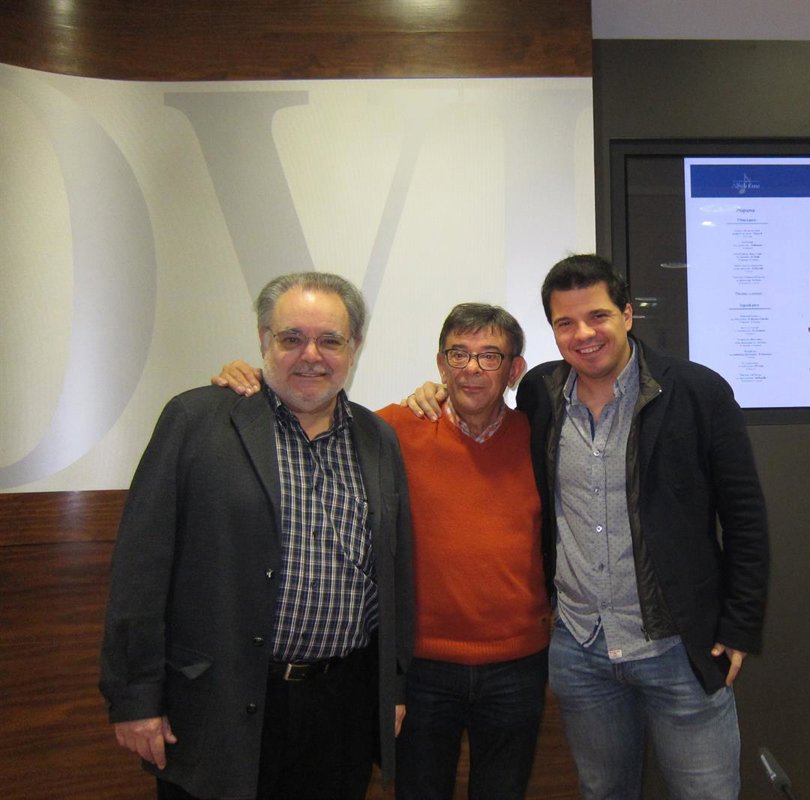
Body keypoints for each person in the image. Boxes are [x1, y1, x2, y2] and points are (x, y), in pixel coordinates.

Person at [407, 255, 770, 799]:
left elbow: (744, 517)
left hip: (677, 648)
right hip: (580, 651)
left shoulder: (697, 392)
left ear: (627, 315)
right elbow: (478, 403)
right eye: (565, 322)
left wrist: (738, 627)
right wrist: (435, 390)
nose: (583, 334)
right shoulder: (540, 393)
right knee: (603, 793)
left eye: (597, 316)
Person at [213, 303, 551, 800]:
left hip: (517, 665)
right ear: (440, 364)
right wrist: (250, 380)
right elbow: (308, 413)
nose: (471, 369)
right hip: (421, 666)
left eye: (489, 356)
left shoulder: (541, 438)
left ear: (514, 369)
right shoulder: (392, 431)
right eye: (458, 354)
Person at [100, 272, 414, 800]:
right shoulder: (197, 420)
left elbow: (394, 574)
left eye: (330, 340)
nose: (310, 355)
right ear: (264, 339)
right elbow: (140, 569)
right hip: (220, 705)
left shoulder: (377, 438)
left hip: (341, 710)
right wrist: (135, 698)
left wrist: (393, 686)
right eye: (292, 338)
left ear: (354, 347)